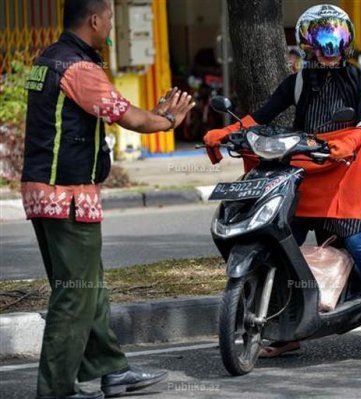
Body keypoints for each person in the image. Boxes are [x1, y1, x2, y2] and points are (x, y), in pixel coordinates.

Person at [204, 4, 361, 364]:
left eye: (336, 40)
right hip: (305, 173)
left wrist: (345, 142)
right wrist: (228, 132)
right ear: (306, 44)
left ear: (347, 42)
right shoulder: (297, 81)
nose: (329, 49)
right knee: (285, 249)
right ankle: (287, 332)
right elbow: (259, 118)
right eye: (321, 40)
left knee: (359, 247)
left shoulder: (359, 80)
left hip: (346, 172)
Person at [21, 0, 194, 398]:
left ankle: (111, 369)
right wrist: (168, 120)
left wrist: (153, 113)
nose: (112, 26)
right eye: (111, 19)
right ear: (95, 20)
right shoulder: (79, 68)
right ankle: (56, 390)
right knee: (76, 294)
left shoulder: (47, 59)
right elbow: (128, 117)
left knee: (88, 287)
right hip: (67, 196)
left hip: (43, 191)